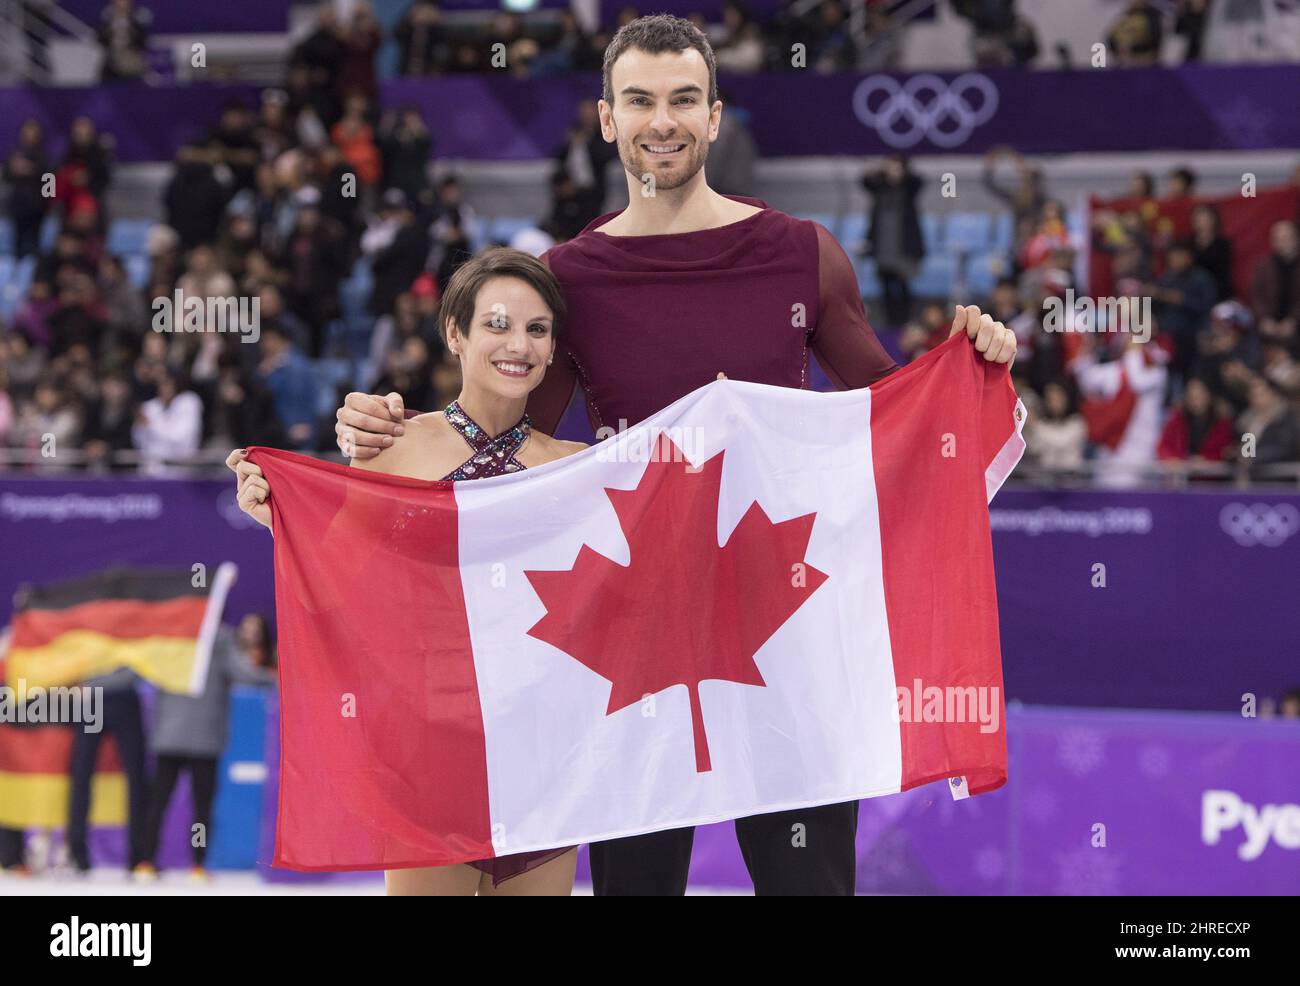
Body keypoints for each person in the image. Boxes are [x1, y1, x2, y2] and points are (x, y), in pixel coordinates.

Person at [327, 15, 1016, 896]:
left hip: (785, 639)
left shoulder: (802, 254)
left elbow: (893, 411)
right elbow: (503, 449)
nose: (664, 121)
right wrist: (386, 432)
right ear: (607, 119)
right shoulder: (571, 279)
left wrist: (976, 366)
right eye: (640, 100)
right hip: (634, 645)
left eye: (684, 99)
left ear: (716, 116)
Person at [228, 248, 596, 895]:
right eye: (499, 324)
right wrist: (274, 516)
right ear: (455, 333)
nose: (520, 344)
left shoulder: (576, 465)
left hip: (541, 746)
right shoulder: (392, 446)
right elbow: (337, 579)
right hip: (431, 744)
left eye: (538, 330)